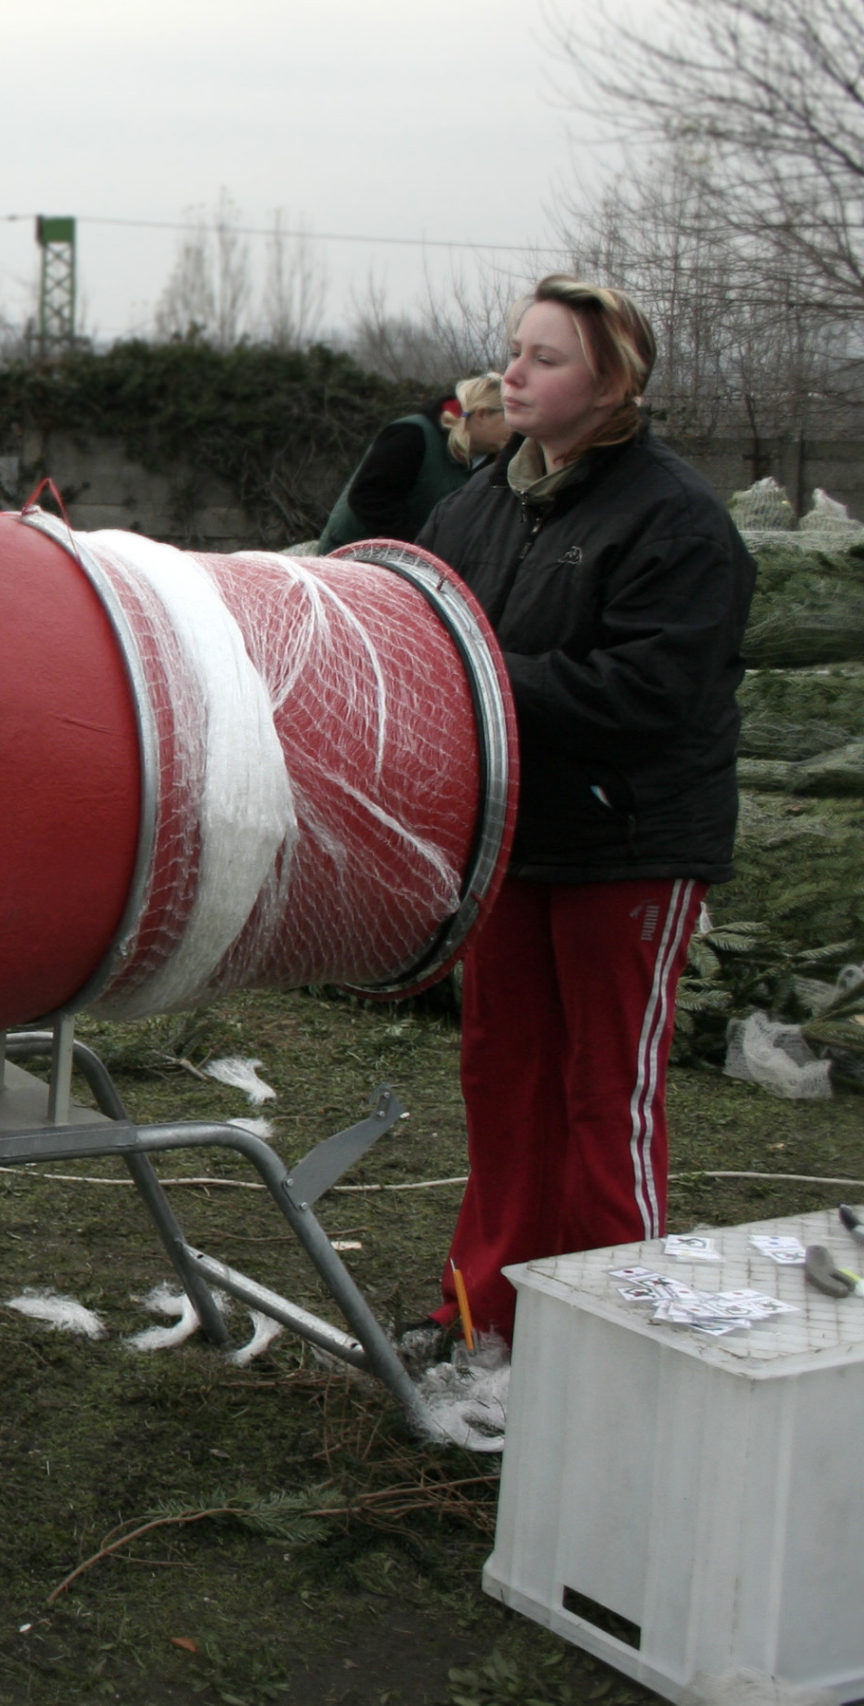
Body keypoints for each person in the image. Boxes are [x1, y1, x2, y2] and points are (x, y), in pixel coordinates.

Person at [413, 276, 753, 1344]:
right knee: (502, 1075)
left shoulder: (676, 520)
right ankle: (485, 1314)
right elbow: (419, 621)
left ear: (612, 384)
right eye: (513, 350)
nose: (513, 373)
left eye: (546, 357)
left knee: (606, 1092)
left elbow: (651, 695)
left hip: (630, 844)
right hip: (511, 839)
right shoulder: (477, 505)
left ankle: (616, 1333)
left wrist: (480, 673)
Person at [316, 372, 510, 553]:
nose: (517, 428)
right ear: (482, 414)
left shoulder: (492, 462)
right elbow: (367, 498)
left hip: (412, 564)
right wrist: (421, 544)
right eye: (509, 417)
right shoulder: (412, 435)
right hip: (353, 555)